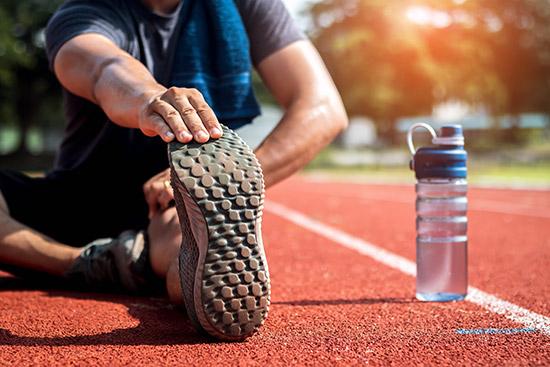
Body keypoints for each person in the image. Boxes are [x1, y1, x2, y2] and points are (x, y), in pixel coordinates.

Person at [0, 0, 347, 340]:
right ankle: (99, 263)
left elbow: (323, 109)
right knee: (180, 239)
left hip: (172, 206)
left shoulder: (248, 5)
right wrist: (148, 99)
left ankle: (193, 273)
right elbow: (103, 67)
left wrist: (218, 178)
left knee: (194, 235)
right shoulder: (83, 13)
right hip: (73, 204)